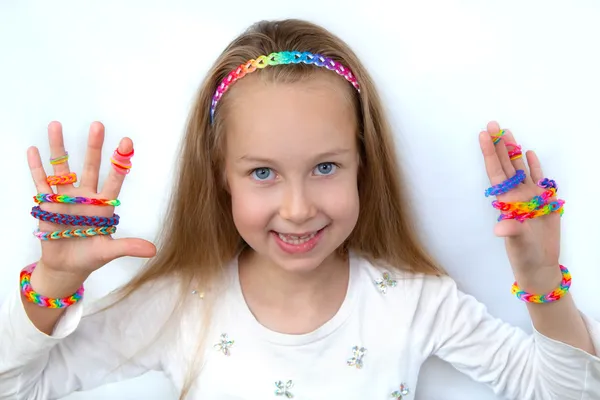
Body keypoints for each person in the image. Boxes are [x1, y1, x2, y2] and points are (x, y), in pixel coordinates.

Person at [1, 18, 598, 400]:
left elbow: (565, 392)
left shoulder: (416, 301)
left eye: (325, 167)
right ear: (221, 179)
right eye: (263, 172)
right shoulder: (179, 306)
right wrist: (51, 283)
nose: (296, 207)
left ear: (364, 165)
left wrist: (543, 279)